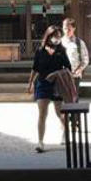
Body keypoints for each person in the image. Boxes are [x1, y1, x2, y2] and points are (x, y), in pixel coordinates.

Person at [26, 25, 71, 153]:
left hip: (57, 84)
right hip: (43, 83)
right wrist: (30, 83)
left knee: (59, 113)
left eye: (58, 36)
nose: (56, 38)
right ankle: (40, 142)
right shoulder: (40, 51)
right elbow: (35, 68)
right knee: (42, 113)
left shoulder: (61, 51)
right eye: (54, 36)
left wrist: (56, 74)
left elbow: (68, 68)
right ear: (48, 36)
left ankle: (65, 131)